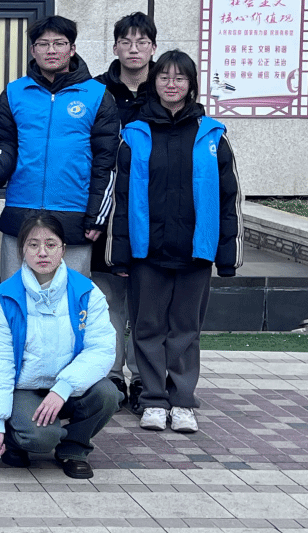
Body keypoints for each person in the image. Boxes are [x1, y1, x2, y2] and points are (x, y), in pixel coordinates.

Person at [109, 50, 242, 435]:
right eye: (164, 77)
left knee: (185, 330)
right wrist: (120, 254)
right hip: (147, 252)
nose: (171, 84)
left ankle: (182, 401)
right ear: (154, 83)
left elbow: (230, 198)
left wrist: (228, 254)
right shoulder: (135, 134)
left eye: (179, 78)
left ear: (191, 85)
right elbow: (120, 199)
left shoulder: (211, 135)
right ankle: (153, 399)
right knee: (148, 328)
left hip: (195, 251)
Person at [0, 213, 119, 479]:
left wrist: (64, 387)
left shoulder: (86, 292)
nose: (42, 252)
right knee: (41, 438)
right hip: (23, 389)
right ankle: (17, 439)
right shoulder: (4, 298)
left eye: (51, 244)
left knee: (107, 394)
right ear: (22, 250)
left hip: (68, 388)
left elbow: (100, 349)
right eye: (33, 245)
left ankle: (74, 449)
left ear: (63, 249)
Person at [0, 15, 120, 280]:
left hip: (74, 216)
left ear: (72, 49)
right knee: (16, 297)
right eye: (43, 44)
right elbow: (2, 146)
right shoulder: (14, 93)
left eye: (59, 43)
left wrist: (96, 216)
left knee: (70, 299)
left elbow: (107, 162)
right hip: (21, 211)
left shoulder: (97, 95)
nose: (51, 50)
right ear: (33, 50)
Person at [91, 12, 157, 412]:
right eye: (126, 41)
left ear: (153, 47)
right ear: (115, 46)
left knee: (146, 302)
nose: (134, 49)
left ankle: (147, 378)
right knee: (109, 299)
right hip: (108, 207)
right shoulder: (97, 90)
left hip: (152, 209)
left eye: (142, 42)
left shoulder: (165, 87)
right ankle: (112, 375)